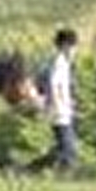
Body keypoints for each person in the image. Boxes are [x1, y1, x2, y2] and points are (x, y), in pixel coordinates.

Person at [31, 27, 79, 174]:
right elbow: (53, 84)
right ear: (65, 45)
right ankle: (64, 175)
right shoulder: (59, 62)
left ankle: (29, 170)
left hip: (62, 111)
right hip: (59, 113)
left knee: (62, 148)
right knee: (69, 149)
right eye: (73, 47)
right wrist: (60, 104)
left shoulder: (60, 62)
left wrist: (70, 102)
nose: (74, 51)